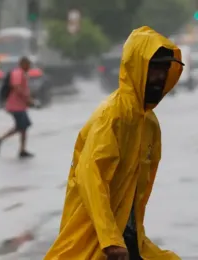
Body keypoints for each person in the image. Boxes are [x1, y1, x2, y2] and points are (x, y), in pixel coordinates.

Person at [44, 26, 184, 260]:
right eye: (153, 69)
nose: (159, 78)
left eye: (163, 69)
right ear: (136, 68)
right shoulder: (112, 116)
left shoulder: (149, 124)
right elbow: (92, 177)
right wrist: (110, 240)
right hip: (95, 238)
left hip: (128, 237)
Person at [0, 56, 36, 158]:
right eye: (28, 65)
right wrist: (27, 98)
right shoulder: (18, 73)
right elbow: (16, 87)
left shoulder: (22, 73)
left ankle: (22, 150)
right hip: (15, 106)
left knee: (24, 127)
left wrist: (28, 100)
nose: (29, 67)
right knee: (21, 126)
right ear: (23, 64)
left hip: (20, 106)